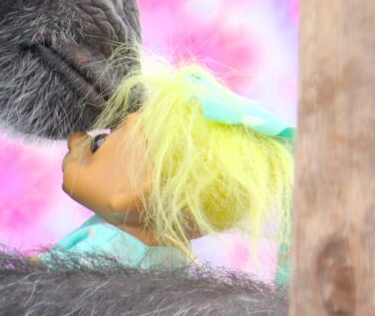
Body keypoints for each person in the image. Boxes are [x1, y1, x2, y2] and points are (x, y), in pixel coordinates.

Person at [39, 63, 295, 282]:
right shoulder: (175, 258)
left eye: (98, 144)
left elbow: (43, 296)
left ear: (137, 187)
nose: (78, 139)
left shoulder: (103, 249)